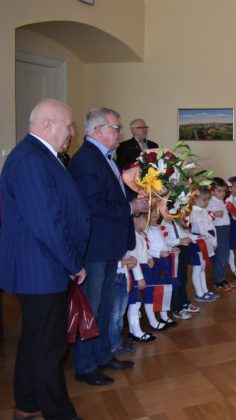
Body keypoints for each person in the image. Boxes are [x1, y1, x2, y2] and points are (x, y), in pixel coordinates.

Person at [0, 99, 89, 420]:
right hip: (40, 269)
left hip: (40, 267)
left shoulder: (36, 155)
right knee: (50, 347)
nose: (72, 132)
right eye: (69, 125)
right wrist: (72, 263)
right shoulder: (31, 160)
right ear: (48, 125)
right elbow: (47, 223)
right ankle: (59, 413)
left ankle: (26, 405)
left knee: (35, 340)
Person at [70, 107, 147, 386]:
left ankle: (102, 355)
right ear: (98, 129)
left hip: (109, 244)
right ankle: (85, 365)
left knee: (105, 304)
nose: (120, 133)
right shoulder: (86, 160)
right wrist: (129, 207)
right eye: (116, 128)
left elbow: (113, 194)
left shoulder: (104, 157)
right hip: (96, 245)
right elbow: (91, 204)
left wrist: (137, 197)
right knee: (90, 306)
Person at [126, 212, 158, 343]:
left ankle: (133, 330)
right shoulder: (132, 236)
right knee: (135, 304)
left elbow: (143, 252)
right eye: (146, 219)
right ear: (136, 220)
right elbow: (133, 259)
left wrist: (149, 258)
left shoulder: (139, 234)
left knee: (137, 303)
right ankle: (136, 332)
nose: (147, 223)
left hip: (143, 269)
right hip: (136, 272)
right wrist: (139, 278)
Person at [190, 190, 220, 302]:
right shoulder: (195, 213)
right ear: (195, 199)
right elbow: (203, 232)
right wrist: (213, 241)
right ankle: (199, 293)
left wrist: (214, 241)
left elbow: (212, 227)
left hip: (207, 241)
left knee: (202, 268)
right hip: (200, 242)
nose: (206, 202)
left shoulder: (203, 211)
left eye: (208, 199)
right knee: (198, 268)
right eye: (204, 199)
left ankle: (205, 291)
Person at [207, 177, 236, 289]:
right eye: (219, 190)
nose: (223, 193)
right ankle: (219, 280)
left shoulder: (221, 201)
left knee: (224, 254)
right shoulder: (210, 202)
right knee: (221, 255)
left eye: (224, 190)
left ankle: (221, 278)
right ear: (212, 191)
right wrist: (214, 215)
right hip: (218, 230)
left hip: (225, 229)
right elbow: (206, 217)